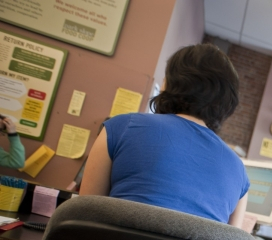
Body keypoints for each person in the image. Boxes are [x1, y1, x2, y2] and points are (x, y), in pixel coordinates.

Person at [80, 43, 248, 228]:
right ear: (227, 102)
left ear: (168, 84)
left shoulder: (120, 128)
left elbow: (84, 222)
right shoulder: (239, 172)